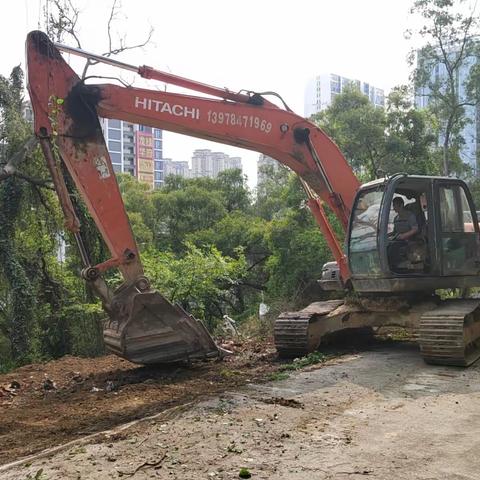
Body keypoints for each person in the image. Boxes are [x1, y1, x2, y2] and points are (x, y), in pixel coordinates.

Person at [388, 197, 419, 269]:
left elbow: (415, 229)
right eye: (393, 206)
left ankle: (398, 266)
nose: (393, 208)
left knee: (393, 247)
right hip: (399, 239)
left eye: (395, 205)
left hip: (409, 240)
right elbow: (395, 232)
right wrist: (386, 235)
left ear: (401, 205)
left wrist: (404, 235)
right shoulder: (396, 218)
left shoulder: (410, 216)